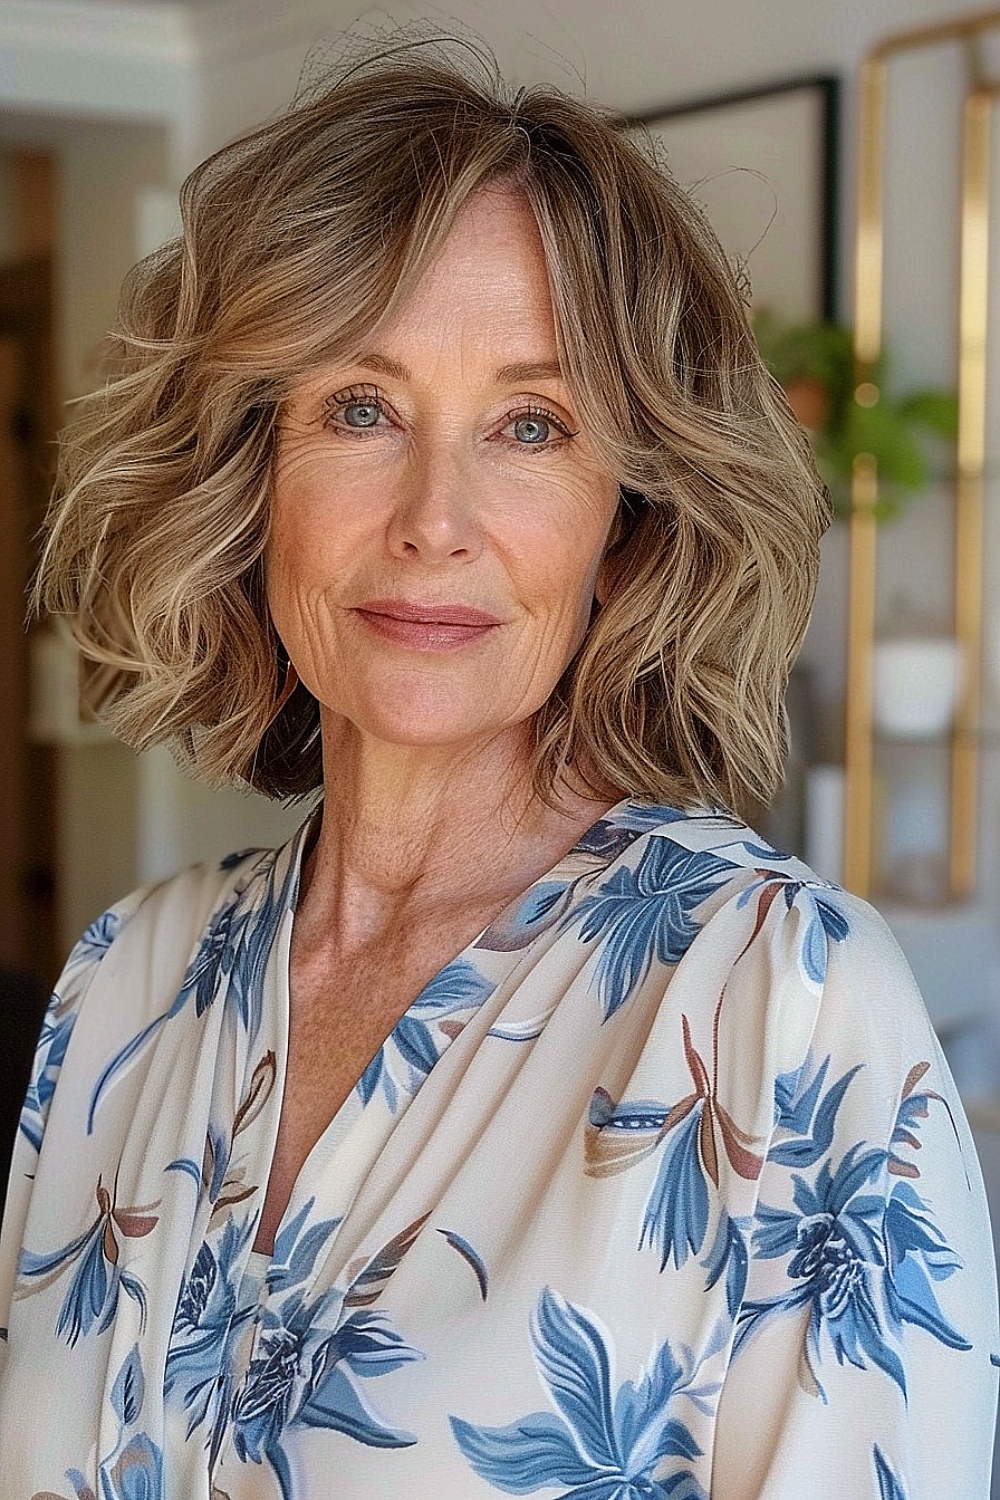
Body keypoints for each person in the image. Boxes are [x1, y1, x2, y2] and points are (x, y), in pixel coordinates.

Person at [0, 37, 996, 1500]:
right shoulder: (124, 988)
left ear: (630, 519)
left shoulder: (778, 1004)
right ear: (246, 470)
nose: (434, 519)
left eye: (532, 426)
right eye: (360, 408)